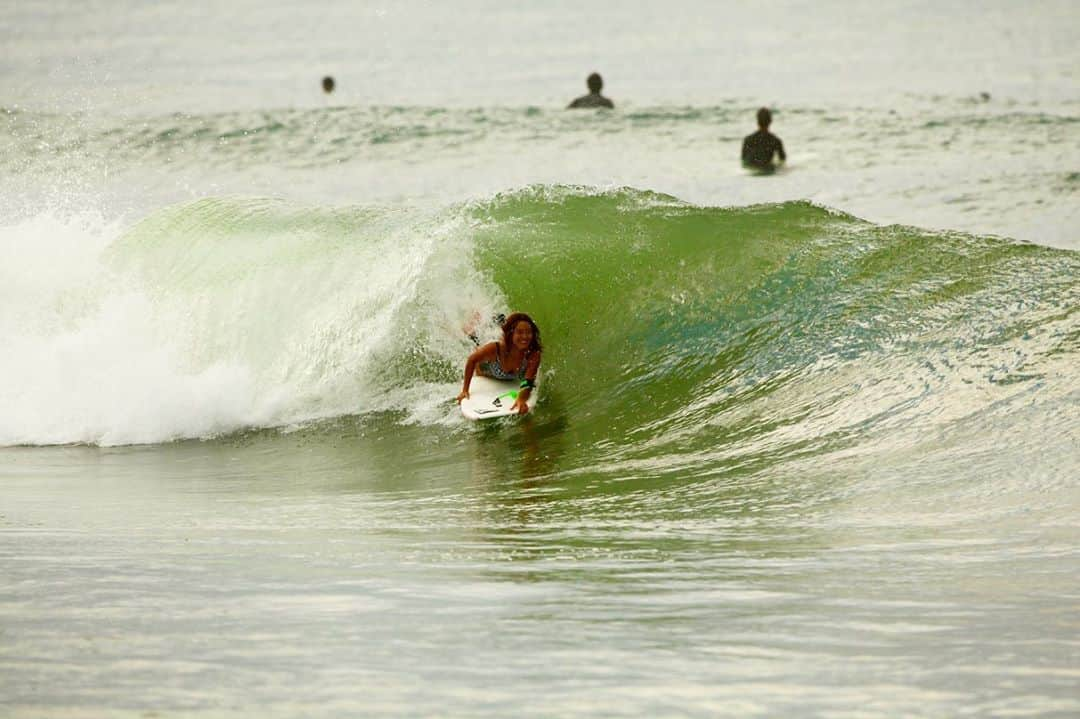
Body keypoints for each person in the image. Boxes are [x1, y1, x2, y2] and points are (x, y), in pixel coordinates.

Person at [456, 313, 542, 415]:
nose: (525, 336)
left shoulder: (533, 354)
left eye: (528, 332)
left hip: (506, 363)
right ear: (511, 334)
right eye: (519, 332)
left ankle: (498, 320)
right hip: (485, 370)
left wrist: (521, 399)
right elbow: (471, 360)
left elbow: (528, 381)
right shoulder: (497, 349)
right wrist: (465, 390)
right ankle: (474, 327)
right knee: (475, 341)